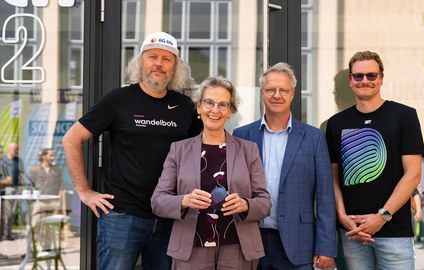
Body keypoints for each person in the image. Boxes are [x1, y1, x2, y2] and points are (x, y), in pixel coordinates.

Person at [62, 31, 203, 269]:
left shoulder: (184, 107)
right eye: (152, 57)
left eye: (166, 59)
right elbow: (71, 139)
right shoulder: (118, 99)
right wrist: (84, 191)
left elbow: (201, 150)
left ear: (175, 68)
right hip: (123, 216)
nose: (158, 64)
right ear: (141, 62)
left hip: (170, 215)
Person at [151, 76, 271, 269]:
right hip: (190, 249)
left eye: (223, 105)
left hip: (238, 248)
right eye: (209, 103)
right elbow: (157, 202)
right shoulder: (178, 150)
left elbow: (265, 203)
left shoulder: (249, 150)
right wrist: (184, 201)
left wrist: (245, 205)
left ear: (230, 111)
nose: (215, 110)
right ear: (199, 107)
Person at [325, 51, 424, 270]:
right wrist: (342, 216)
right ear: (350, 80)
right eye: (358, 76)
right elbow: (332, 176)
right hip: (352, 231)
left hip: (394, 232)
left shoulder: (404, 116)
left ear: (381, 78)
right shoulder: (336, 123)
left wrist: (382, 216)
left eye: (371, 75)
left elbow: (413, 174)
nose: (365, 81)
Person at [233, 62, 336, 269]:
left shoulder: (313, 137)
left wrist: (326, 247)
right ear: (262, 93)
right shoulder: (242, 136)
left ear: (292, 94)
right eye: (270, 89)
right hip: (252, 238)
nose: (276, 95)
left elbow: (325, 195)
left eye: (283, 90)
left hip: (299, 244)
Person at [29, 148, 64, 249]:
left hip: (53, 202)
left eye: (53, 155)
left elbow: (61, 184)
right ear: (44, 156)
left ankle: (47, 248)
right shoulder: (35, 169)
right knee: (34, 225)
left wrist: (60, 199)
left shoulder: (57, 169)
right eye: (51, 155)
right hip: (40, 202)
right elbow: (31, 185)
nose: (53, 157)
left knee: (50, 227)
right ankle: (32, 248)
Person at [1, 142, 24, 241]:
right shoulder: (3, 161)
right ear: (9, 149)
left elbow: (22, 173)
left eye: (18, 149)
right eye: (15, 150)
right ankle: (5, 234)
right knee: (7, 213)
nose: (17, 152)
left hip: (16, 188)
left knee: (13, 212)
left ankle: (9, 234)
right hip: (6, 189)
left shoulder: (18, 161)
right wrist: (6, 180)